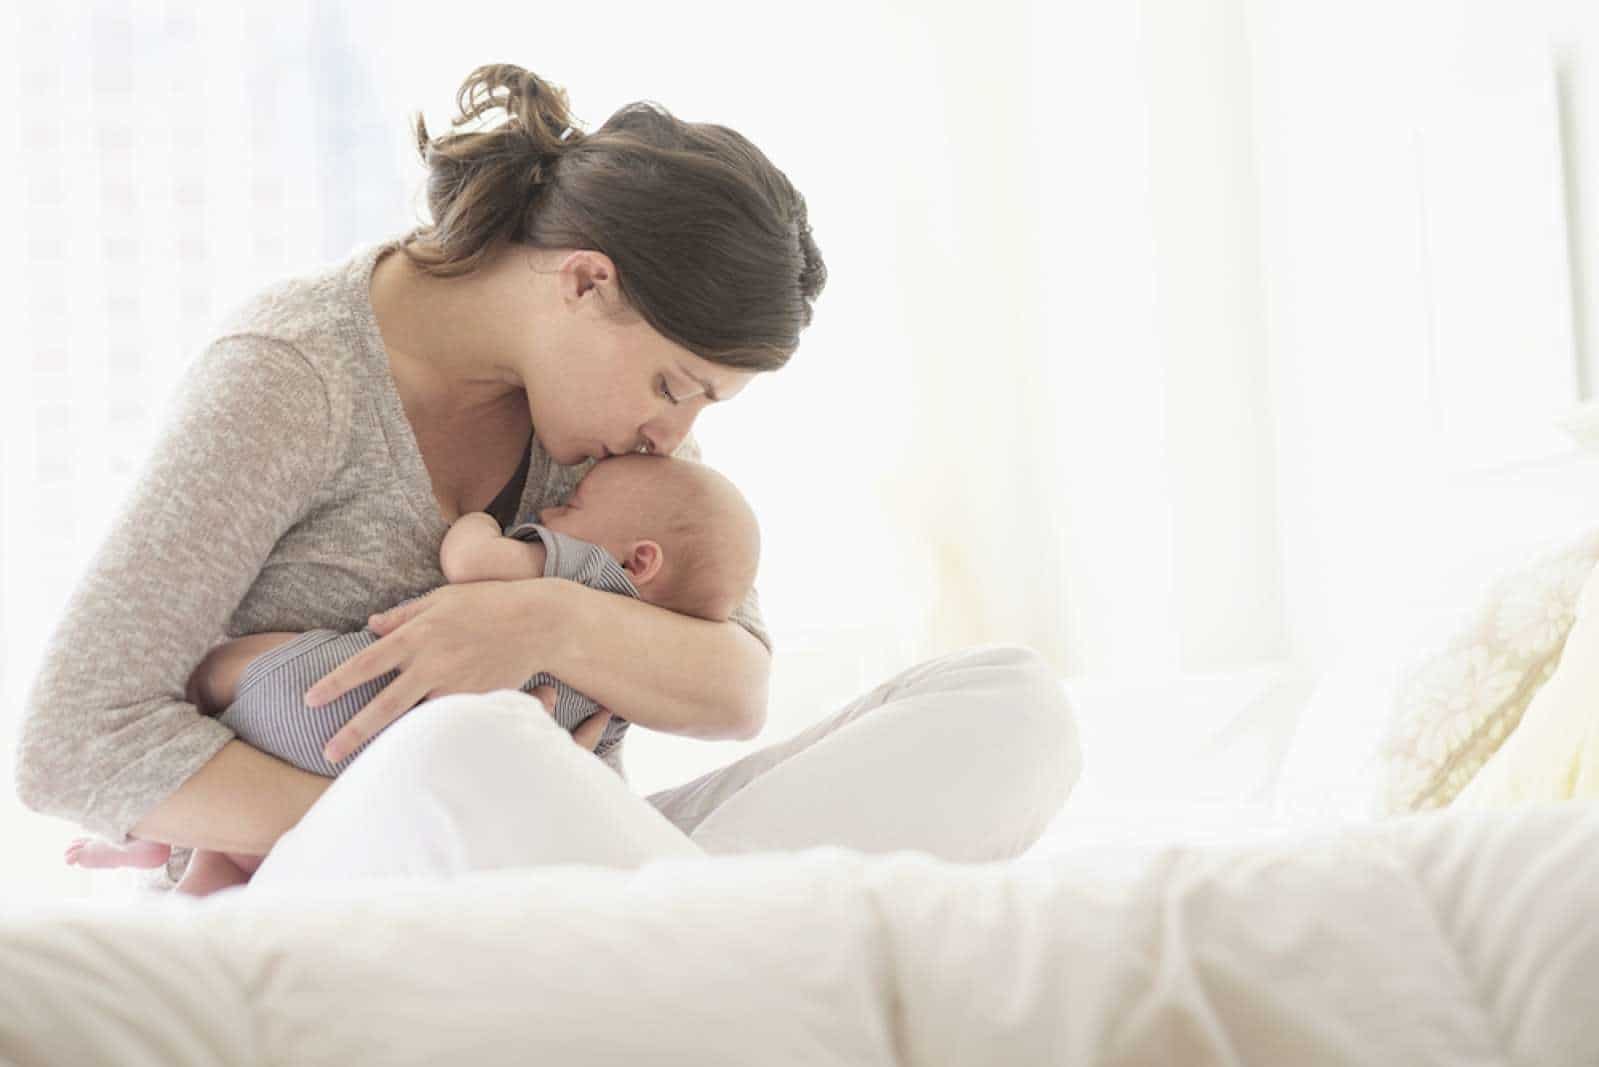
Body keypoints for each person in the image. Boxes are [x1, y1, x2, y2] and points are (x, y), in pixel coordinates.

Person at [15, 63, 1081, 896]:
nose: (676, 430)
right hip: (352, 878)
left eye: (706, 402)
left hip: (578, 864)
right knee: (475, 748)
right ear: (585, 281)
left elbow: (734, 684)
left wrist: (540, 623)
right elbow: (70, 740)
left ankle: (656, 944)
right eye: (677, 383)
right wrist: (417, 812)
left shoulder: (603, 428)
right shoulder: (296, 378)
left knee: (1011, 707)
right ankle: (691, 946)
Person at [62, 452, 760, 895]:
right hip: (376, 754)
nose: (551, 510)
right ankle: (197, 876)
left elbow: (471, 564)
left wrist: (481, 525)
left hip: (326, 697)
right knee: (237, 866)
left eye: (571, 507)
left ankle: (177, 839)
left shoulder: (582, 571)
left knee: (229, 668)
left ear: (639, 562)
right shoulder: (635, 671)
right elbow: (588, 766)